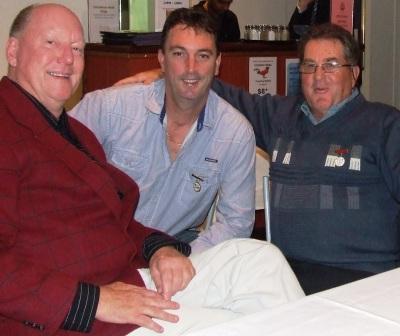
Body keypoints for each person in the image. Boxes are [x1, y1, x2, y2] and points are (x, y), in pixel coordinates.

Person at [0, 3, 304, 335]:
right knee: (240, 326)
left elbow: (117, 216)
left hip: (131, 271)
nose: (67, 57)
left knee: (263, 262)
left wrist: (160, 248)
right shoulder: (97, 112)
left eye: (76, 48)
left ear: (217, 63)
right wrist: (95, 301)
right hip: (82, 307)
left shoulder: (72, 133)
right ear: (13, 51)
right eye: (50, 43)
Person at [117, 23, 400, 294]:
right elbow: (222, 94)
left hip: (363, 278)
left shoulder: (384, 126)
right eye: (309, 66)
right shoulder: (281, 117)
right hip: (280, 273)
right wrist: (167, 74)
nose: (318, 76)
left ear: (355, 73)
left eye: (331, 65)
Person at [70, 8, 256, 253]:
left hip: (174, 248)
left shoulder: (235, 134)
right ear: (161, 59)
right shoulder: (108, 109)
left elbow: (236, 224)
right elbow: (53, 163)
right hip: (100, 246)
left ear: (218, 63)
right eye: (179, 54)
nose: (191, 68)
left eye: (203, 56)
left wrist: (183, 258)